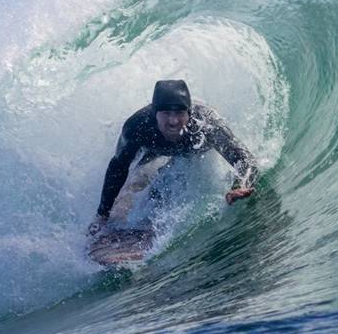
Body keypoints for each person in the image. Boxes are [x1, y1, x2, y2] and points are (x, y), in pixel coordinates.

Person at [88, 79, 258, 236]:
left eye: (179, 113)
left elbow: (245, 160)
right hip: (155, 150)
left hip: (195, 151)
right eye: (166, 113)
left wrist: (239, 185)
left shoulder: (207, 126)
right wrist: (102, 214)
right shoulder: (137, 127)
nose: (173, 121)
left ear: (189, 113)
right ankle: (113, 229)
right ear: (155, 113)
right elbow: (118, 167)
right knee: (131, 186)